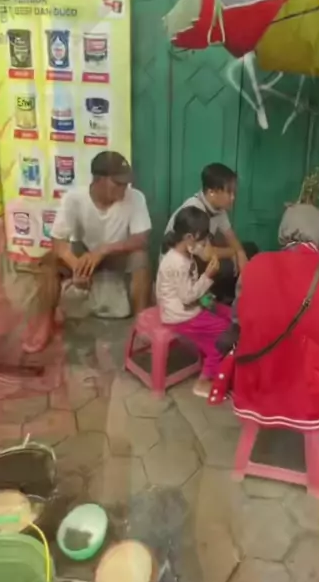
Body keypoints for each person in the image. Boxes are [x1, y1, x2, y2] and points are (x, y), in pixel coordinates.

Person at [210, 203, 319, 422]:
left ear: (284, 228)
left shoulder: (255, 265)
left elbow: (239, 318)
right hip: (315, 382)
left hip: (259, 374)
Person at [23, 151, 152, 353]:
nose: (124, 187)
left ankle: (142, 325)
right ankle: (45, 324)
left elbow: (140, 239)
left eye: (126, 182)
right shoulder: (74, 199)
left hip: (116, 254)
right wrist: (77, 267)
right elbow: (58, 242)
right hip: (83, 251)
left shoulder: (135, 197)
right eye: (118, 183)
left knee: (140, 258)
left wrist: (104, 249)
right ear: (98, 180)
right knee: (50, 261)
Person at [157, 206, 231, 398]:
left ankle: (213, 357)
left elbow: (188, 290)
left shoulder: (185, 256)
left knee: (228, 314)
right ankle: (204, 381)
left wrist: (204, 298)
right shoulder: (177, 263)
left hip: (188, 308)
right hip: (181, 316)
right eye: (203, 240)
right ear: (190, 237)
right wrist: (208, 276)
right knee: (225, 333)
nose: (205, 244)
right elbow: (187, 297)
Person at [164, 163, 256, 303]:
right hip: (181, 268)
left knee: (250, 250)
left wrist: (241, 253)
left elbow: (230, 235)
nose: (233, 198)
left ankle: (233, 298)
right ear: (212, 191)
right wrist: (233, 253)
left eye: (234, 193)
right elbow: (206, 254)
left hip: (197, 258)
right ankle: (214, 299)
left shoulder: (218, 209)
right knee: (226, 266)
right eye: (229, 192)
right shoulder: (195, 209)